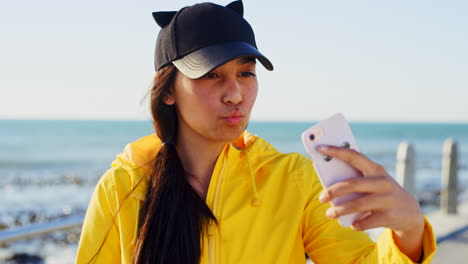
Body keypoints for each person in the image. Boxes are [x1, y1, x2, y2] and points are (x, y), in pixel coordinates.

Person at [75, 1, 436, 263]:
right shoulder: (123, 186)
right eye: (211, 74)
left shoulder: (293, 180)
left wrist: (408, 233)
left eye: (246, 73)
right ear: (167, 90)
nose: (235, 94)